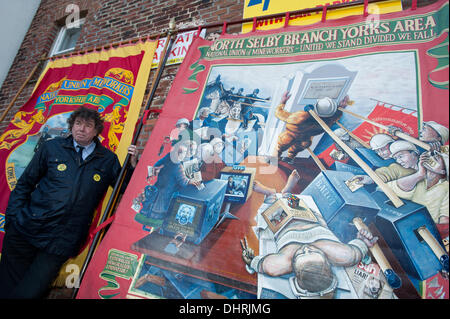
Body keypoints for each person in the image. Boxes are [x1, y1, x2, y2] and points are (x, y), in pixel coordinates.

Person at [0, 106, 138, 299]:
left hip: (62, 240)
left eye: (88, 125)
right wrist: (13, 220)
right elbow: (25, 184)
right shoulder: (52, 147)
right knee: (6, 287)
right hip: (26, 230)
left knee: (32, 291)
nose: (81, 129)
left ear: (97, 131)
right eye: (78, 123)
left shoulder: (107, 160)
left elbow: (126, 188)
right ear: (72, 125)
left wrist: (131, 166)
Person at [272, 91, 344, 164]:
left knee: (279, 148)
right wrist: (340, 108)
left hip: (289, 137)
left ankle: (273, 162)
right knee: (295, 149)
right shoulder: (326, 123)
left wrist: (283, 102)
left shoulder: (299, 117)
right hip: (304, 141)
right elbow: (335, 117)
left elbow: (279, 113)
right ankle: (290, 158)